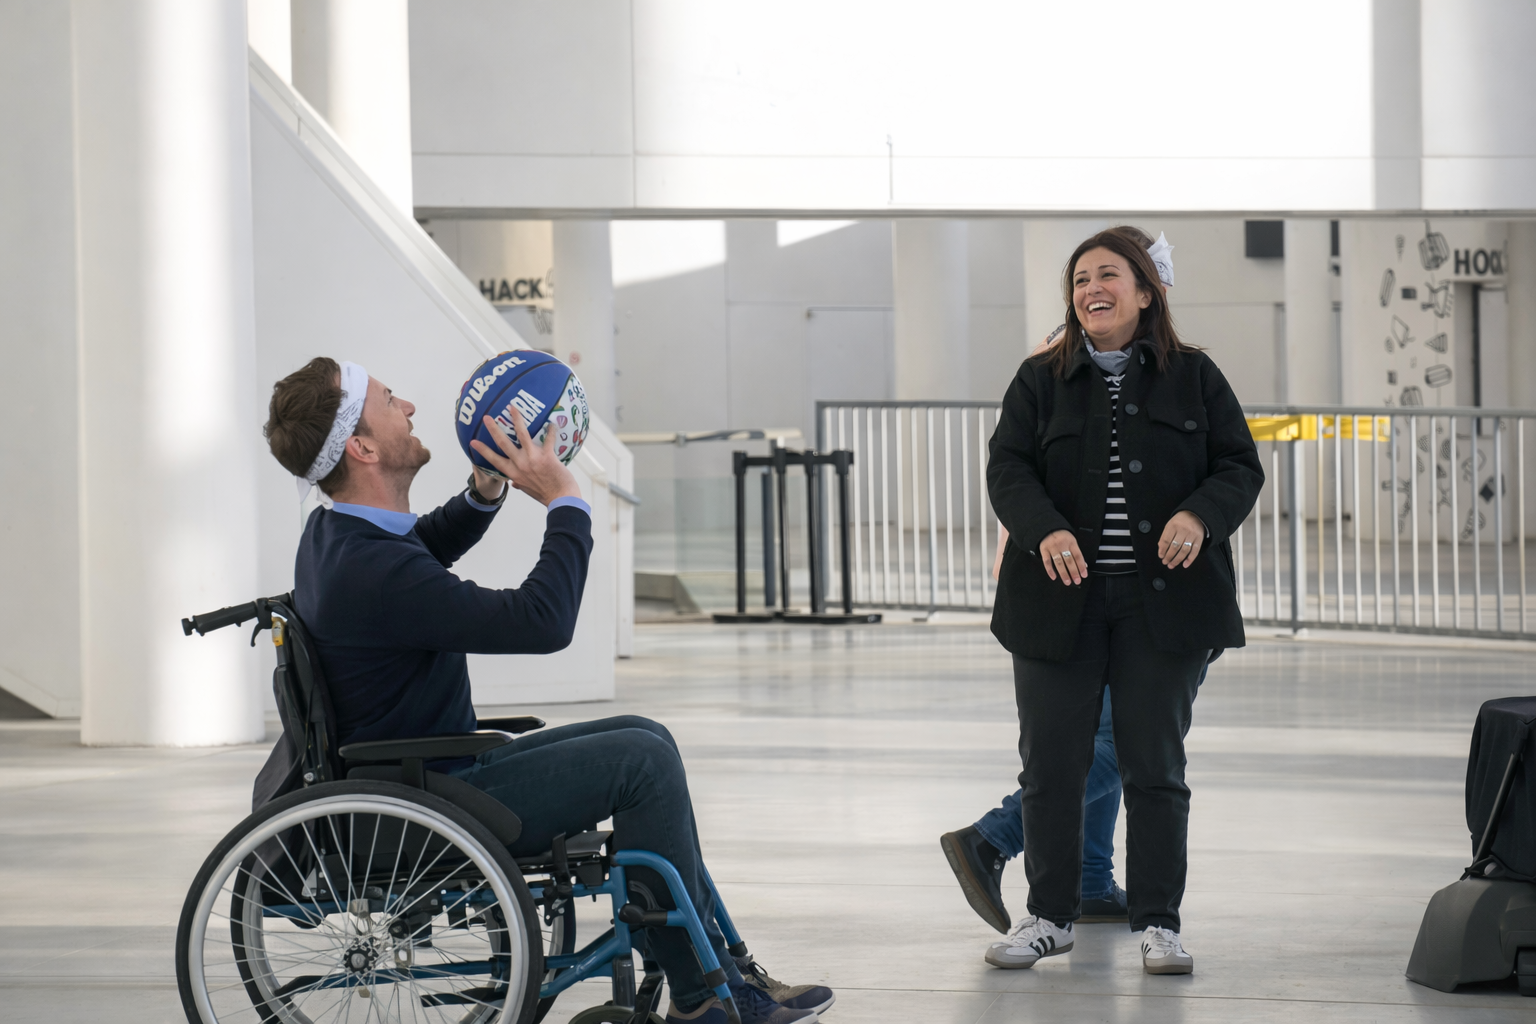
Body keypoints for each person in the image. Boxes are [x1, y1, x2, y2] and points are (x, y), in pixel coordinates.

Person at [262, 357, 833, 1024]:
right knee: (641, 762)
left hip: (418, 775)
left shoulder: (337, 536)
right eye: (390, 401)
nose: (410, 406)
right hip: (432, 796)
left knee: (646, 735)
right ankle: (700, 993)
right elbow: (543, 622)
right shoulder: (375, 571)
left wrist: (484, 490)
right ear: (362, 447)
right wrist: (566, 502)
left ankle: (717, 967)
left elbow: (420, 547)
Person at [984, 227, 1263, 976]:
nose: (1090, 290)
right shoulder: (1039, 379)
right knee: (1051, 768)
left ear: (1145, 290)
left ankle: (1160, 924)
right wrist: (1043, 528)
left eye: (1107, 275)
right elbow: (1007, 468)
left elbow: (1239, 466)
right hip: (1056, 606)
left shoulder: (1194, 376)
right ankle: (1049, 918)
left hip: (1161, 609)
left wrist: (1199, 515)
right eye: (1080, 280)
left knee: (1154, 770)